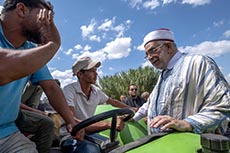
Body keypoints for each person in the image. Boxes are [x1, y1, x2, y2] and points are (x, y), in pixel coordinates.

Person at [0, 1, 84, 153]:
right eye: (46, 17)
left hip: (6, 131)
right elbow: (2, 68)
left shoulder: (29, 49)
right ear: (21, 9)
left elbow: (51, 88)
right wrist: (53, 44)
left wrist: (71, 121)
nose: (49, 25)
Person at [133, 28, 230, 135]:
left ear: (168, 46)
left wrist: (188, 123)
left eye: (153, 50)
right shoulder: (163, 75)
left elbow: (223, 106)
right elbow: (150, 104)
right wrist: (133, 117)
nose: (150, 57)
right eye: (147, 54)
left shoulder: (198, 63)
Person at [60, 56, 137, 152]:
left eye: (95, 70)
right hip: (71, 135)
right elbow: (71, 119)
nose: (96, 74)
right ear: (80, 74)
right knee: (91, 150)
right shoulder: (69, 90)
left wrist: (131, 109)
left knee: (114, 146)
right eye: (91, 71)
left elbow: (112, 101)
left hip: (89, 133)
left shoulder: (95, 91)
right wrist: (109, 124)